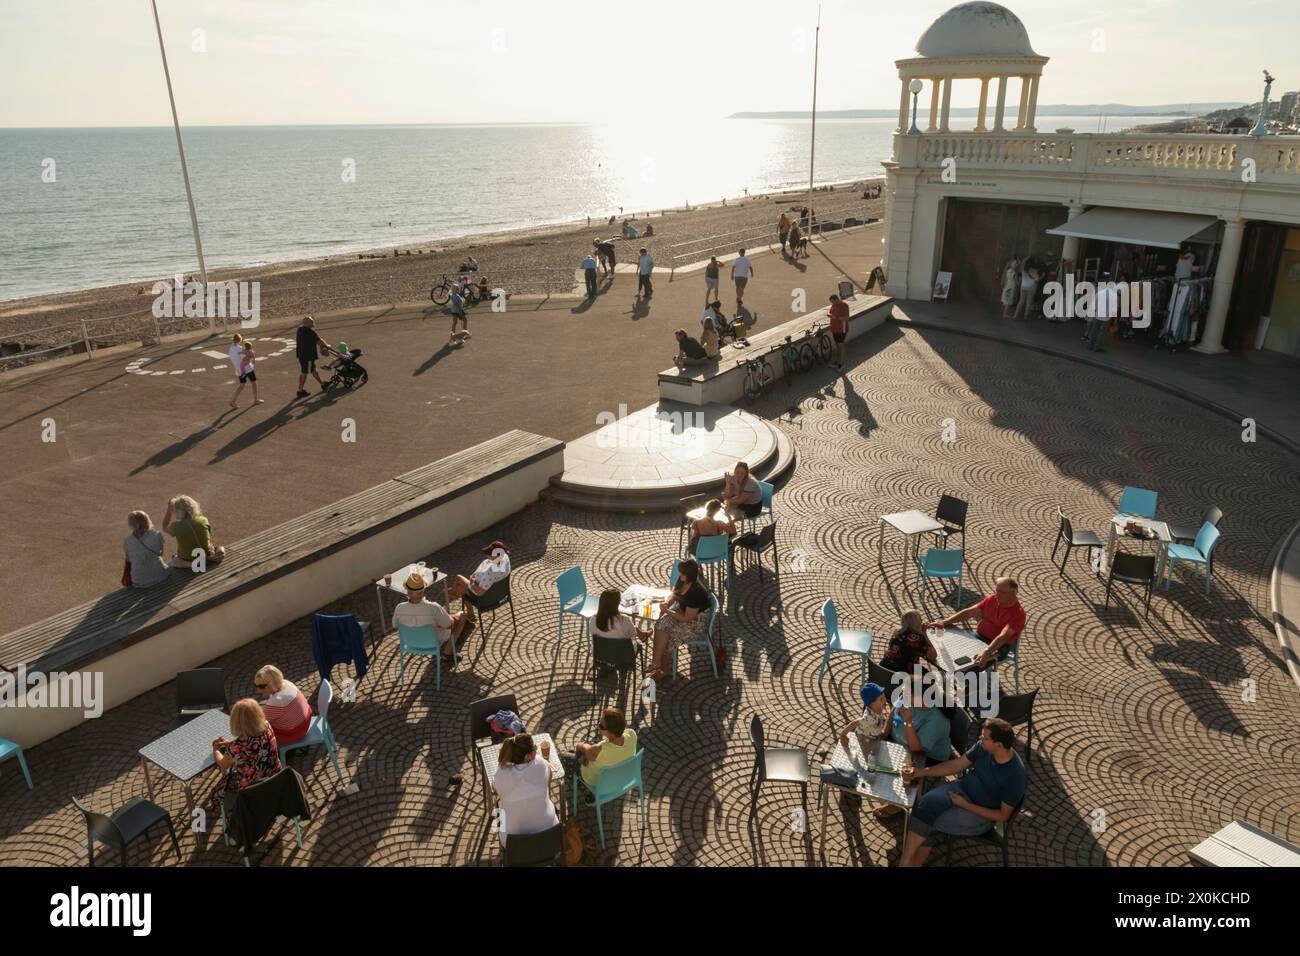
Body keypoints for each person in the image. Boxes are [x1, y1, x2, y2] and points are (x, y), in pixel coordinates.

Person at [899, 718, 1026, 867]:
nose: (980, 739)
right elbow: (958, 764)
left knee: (928, 818)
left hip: (980, 815)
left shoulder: (1014, 775)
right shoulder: (983, 747)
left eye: (985, 738)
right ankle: (907, 863)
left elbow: (1003, 816)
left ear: (998, 745)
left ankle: (907, 863)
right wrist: (921, 772)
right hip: (961, 789)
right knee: (924, 806)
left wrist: (965, 805)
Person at [926, 577, 1025, 671]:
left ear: (1013, 593)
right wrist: (945, 622)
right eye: (996, 591)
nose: (997, 595)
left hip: (999, 647)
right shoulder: (992, 599)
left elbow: (1003, 637)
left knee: (969, 668)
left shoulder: (1018, 614)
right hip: (978, 636)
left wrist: (987, 652)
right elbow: (969, 612)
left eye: (1001, 592)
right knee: (949, 653)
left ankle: (971, 686)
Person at [206, 698, 283, 818]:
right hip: (274, 776)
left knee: (216, 793)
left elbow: (223, 764)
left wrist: (215, 749)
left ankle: (231, 816)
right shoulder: (267, 726)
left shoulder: (237, 746)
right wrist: (230, 744)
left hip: (253, 787)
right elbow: (250, 743)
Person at [492, 733, 559, 849]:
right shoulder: (541, 764)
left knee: (498, 808)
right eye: (534, 748)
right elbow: (549, 778)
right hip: (549, 834)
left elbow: (495, 789)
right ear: (527, 756)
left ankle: (498, 838)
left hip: (512, 843)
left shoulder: (501, 772)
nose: (536, 751)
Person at [564, 707, 638, 799]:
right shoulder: (632, 734)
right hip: (621, 778)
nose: (599, 727)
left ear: (611, 733)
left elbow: (581, 746)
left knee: (562, 757)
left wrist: (580, 746)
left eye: (601, 726)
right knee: (582, 754)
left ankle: (587, 791)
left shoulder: (600, 749)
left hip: (597, 782)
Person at [393, 570, 466, 658]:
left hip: (410, 643)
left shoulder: (399, 608)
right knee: (462, 616)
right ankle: (447, 652)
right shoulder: (434, 608)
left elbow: (395, 625)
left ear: (407, 591)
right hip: (434, 641)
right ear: (423, 590)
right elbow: (449, 625)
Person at [448, 540, 512, 622]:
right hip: (500, 594)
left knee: (459, 579)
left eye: (489, 554)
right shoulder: (505, 557)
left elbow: (479, 593)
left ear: (496, 556)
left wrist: (473, 582)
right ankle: (458, 596)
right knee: (461, 586)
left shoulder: (491, 572)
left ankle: (457, 595)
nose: (487, 555)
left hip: (485, 600)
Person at [254, 665, 312, 746]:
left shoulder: (276, 701)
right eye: (256, 686)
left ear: (272, 683)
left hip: (294, 733)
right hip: (306, 721)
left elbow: (259, 723)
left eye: (261, 686)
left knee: (256, 733)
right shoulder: (287, 683)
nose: (258, 690)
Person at [163, 494, 225, 568]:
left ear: (177, 511)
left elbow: (165, 527)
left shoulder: (176, 526)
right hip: (206, 556)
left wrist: (169, 510)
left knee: (167, 567)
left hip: (188, 560)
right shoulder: (203, 520)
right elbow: (208, 535)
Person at [295, 316, 340, 398]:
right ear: (307, 323)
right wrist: (335, 352)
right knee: (304, 372)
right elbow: (322, 343)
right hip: (308, 356)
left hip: (301, 355)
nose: (313, 324)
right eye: (312, 322)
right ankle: (300, 391)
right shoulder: (311, 332)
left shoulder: (299, 329)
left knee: (313, 370)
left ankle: (323, 384)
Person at [123, 511, 169, 588]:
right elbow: (160, 553)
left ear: (131, 525)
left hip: (140, 580)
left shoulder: (128, 541)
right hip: (161, 574)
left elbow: (129, 560)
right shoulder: (157, 535)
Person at [227, 333, 262, 408]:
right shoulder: (240, 348)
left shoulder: (231, 348)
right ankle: (255, 400)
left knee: (242, 385)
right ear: (240, 340)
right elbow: (248, 356)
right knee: (254, 382)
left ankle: (233, 401)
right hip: (247, 369)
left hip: (239, 370)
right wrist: (252, 354)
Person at [828, 293, 850, 369]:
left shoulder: (844, 305)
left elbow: (846, 318)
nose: (832, 304)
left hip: (841, 329)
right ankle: (838, 361)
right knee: (837, 346)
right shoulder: (834, 305)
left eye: (832, 302)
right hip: (834, 328)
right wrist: (830, 316)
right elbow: (831, 312)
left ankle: (842, 363)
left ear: (836, 300)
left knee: (841, 346)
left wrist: (835, 318)